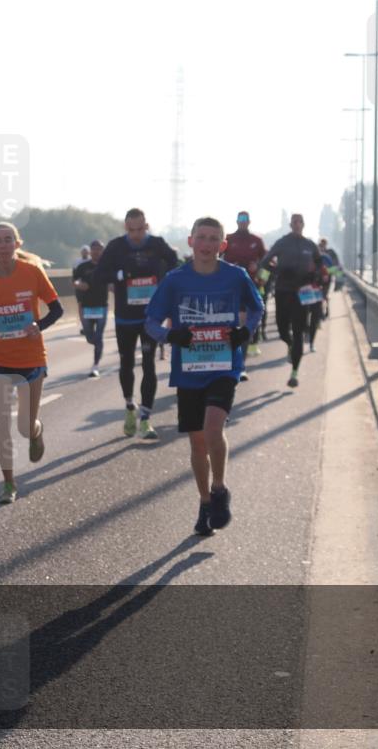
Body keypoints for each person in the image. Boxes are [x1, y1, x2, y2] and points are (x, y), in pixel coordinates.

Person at [144, 217, 264, 536]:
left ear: (222, 245)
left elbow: (257, 307)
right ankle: (205, 501)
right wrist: (171, 337)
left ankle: (220, 488)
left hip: (224, 365)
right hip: (190, 370)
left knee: (213, 428)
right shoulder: (174, 280)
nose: (207, 244)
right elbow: (152, 321)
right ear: (190, 242)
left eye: (214, 239)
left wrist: (245, 333)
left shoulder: (236, 276)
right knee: (197, 443)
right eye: (202, 238)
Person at [0, 222, 63, 504]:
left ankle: (36, 431)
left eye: (8, 239)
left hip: (31, 358)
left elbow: (57, 308)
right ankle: (8, 483)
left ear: (17, 244)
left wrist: (38, 325)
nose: (3, 244)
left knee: (24, 426)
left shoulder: (32, 273)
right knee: (1, 423)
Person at [93, 208, 178, 440]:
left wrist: (163, 281)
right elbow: (99, 275)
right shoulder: (116, 246)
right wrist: (120, 276)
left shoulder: (158, 244)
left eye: (140, 229)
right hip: (125, 317)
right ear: (125, 228)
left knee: (149, 363)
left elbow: (176, 265)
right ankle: (130, 406)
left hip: (150, 316)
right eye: (132, 230)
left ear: (146, 226)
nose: (137, 234)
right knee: (126, 363)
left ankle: (146, 418)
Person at [259, 213, 323, 388]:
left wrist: (314, 273)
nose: (296, 224)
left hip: (302, 293)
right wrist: (278, 270)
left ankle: (294, 373)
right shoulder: (282, 242)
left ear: (303, 224)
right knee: (282, 329)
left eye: (299, 221)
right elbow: (265, 262)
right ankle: (288, 344)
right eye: (294, 222)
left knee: (299, 331)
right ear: (290, 224)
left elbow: (320, 265)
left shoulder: (309, 245)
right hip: (283, 290)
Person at [221, 211, 267, 380]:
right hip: (228, 289)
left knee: (245, 327)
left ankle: (241, 366)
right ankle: (225, 362)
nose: (242, 222)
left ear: (249, 222)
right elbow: (214, 259)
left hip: (249, 289)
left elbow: (268, 264)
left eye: (245, 219)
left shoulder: (257, 241)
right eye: (240, 219)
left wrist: (261, 276)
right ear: (236, 221)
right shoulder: (228, 239)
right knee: (227, 327)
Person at [73, 239, 108, 377]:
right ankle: (97, 346)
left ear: (103, 251)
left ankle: (95, 365)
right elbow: (74, 280)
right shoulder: (83, 267)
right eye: (94, 249)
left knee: (98, 337)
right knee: (89, 336)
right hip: (87, 306)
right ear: (90, 251)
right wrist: (78, 284)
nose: (96, 251)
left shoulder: (106, 266)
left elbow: (113, 281)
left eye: (99, 249)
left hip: (101, 306)